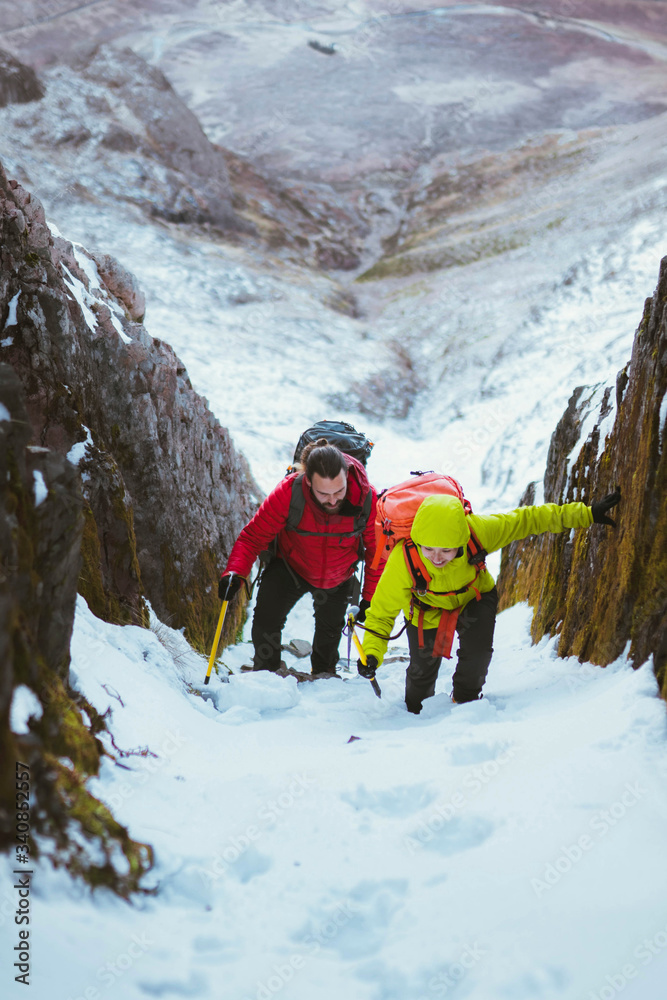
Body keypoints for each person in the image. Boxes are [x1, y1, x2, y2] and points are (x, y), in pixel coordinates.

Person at [358, 489, 621, 712]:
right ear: (417, 541)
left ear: (461, 539)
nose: (437, 558)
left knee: (477, 656)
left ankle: (465, 705)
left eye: (447, 550)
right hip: (427, 610)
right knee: (420, 676)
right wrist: (371, 653)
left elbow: (527, 520)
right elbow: (381, 614)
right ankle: (416, 716)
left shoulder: (477, 532)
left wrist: (586, 513)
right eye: (429, 549)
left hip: (475, 598)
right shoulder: (403, 560)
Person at [220, 439, 381, 676]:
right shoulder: (289, 492)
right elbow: (252, 537)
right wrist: (234, 573)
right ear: (307, 481)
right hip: (291, 567)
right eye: (324, 494)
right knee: (266, 621)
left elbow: (376, 554)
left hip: (338, 575)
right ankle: (267, 675)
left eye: (339, 491)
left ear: (347, 476)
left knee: (329, 635)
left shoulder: (367, 498)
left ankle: (325, 678)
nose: (333, 500)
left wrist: (368, 599)